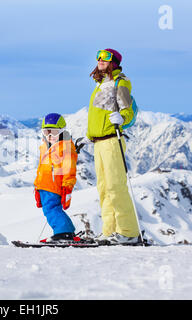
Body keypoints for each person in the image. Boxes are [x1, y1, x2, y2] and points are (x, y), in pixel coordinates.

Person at [86, 48, 140, 245]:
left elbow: (127, 111)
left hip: (111, 140)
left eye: (105, 57)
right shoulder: (101, 84)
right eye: (98, 56)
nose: (100, 60)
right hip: (98, 143)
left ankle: (128, 232)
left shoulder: (120, 82)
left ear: (114, 62)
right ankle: (109, 231)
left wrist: (122, 119)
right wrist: (89, 136)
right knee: (104, 189)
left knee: (116, 187)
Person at [34, 113, 78, 242]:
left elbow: (69, 169)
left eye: (54, 132)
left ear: (62, 131)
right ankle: (67, 230)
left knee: (51, 209)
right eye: (46, 132)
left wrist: (67, 186)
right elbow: (41, 169)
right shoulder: (45, 147)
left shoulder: (65, 147)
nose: (50, 136)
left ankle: (63, 232)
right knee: (52, 209)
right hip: (45, 186)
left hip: (55, 186)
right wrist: (37, 187)